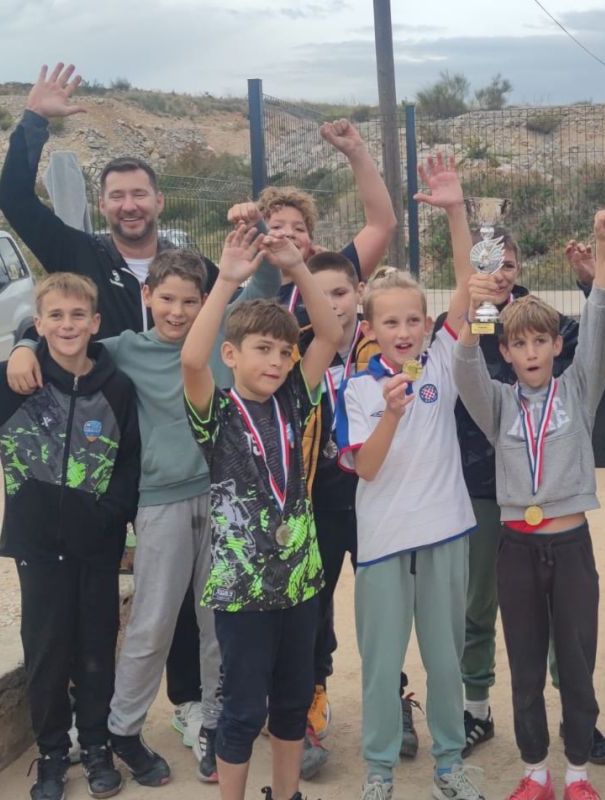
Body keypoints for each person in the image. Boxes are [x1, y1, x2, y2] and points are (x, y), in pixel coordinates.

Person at [0, 61, 212, 744]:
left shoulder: (194, 271)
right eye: (116, 195)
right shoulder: (80, 252)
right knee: (120, 599)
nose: (128, 204)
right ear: (104, 202)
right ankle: (97, 724)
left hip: (182, 463)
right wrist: (35, 122)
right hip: (107, 466)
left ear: (158, 200)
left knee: (192, 597)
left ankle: (191, 704)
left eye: (139, 193)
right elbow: (15, 202)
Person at [0, 268, 140, 800]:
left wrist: (110, 515)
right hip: (36, 548)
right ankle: (53, 753)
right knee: (46, 653)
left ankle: (96, 746)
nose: (67, 324)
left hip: (97, 548)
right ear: (38, 323)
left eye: (78, 315)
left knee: (97, 650)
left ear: (95, 323)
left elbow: (129, 462)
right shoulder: (12, 383)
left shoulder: (117, 388)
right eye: (55, 315)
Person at [452, 207, 605, 800]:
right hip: (516, 549)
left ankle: (577, 773)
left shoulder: (578, 388)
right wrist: (478, 303)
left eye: (540, 342)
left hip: (570, 545)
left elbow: (600, 325)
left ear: (556, 345)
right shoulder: (497, 402)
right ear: (506, 350)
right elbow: (465, 365)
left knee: (575, 661)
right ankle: (535, 773)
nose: (530, 353)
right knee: (525, 666)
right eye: (518, 344)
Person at [335, 154, 484, 800]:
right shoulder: (356, 390)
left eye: (412, 320)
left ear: (427, 324)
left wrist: (456, 212)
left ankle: (450, 765)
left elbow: (470, 286)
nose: (403, 331)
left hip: (445, 530)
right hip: (383, 541)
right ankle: (379, 771)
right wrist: (392, 414)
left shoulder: (443, 361)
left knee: (445, 660)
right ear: (369, 329)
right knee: (381, 664)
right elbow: (367, 467)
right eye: (389, 322)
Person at [180, 225, 340, 800]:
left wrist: (297, 268)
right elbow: (192, 359)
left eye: (283, 352)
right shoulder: (217, 414)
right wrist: (226, 281)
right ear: (232, 355)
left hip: (300, 583)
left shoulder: (295, 398)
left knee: (293, 705)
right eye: (262, 349)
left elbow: (330, 332)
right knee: (244, 711)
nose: (275, 361)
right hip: (243, 593)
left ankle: (288, 794)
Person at [298, 250, 382, 777]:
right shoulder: (297, 350)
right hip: (319, 504)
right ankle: (308, 700)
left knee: (384, 607)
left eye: (340, 292)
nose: (331, 303)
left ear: (359, 292)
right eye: (319, 293)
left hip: (376, 500)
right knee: (312, 607)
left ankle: (392, 697)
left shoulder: (385, 346)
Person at [225, 118, 397, 320]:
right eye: (277, 226)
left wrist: (356, 152)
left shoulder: (330, 279)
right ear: (258, 237)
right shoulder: (241, 300)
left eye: (299, 229)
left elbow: (382, 225)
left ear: (311, 243)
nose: (289, 233)